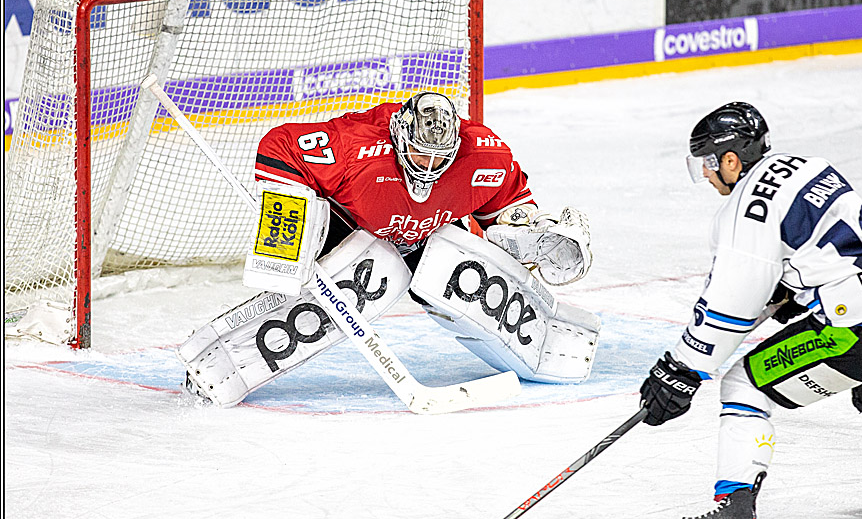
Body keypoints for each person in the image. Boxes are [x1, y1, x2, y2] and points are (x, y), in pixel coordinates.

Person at [638, 101, 862, 519]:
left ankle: (731, 517)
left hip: (858, 327)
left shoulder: (746, 207)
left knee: (745, 384)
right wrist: (791, 285)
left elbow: (731, 302)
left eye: (707, 163)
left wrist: (681, 370)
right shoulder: (807, 166)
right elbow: (829, 246)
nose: (705, 176)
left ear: (730, 160)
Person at [178, 91, 598, 407]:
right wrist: (288, 233)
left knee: (452, 266)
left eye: (441, 159)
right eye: (420, 154)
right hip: (351, 227)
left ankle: (554, 347)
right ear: (399, 136)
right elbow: (279, 147)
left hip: (430, 232)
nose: (430, 167)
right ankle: (217, 364)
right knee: (362, 274)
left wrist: (524, 229)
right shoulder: (354, 149)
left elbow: (504, 202)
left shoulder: (482, 155)